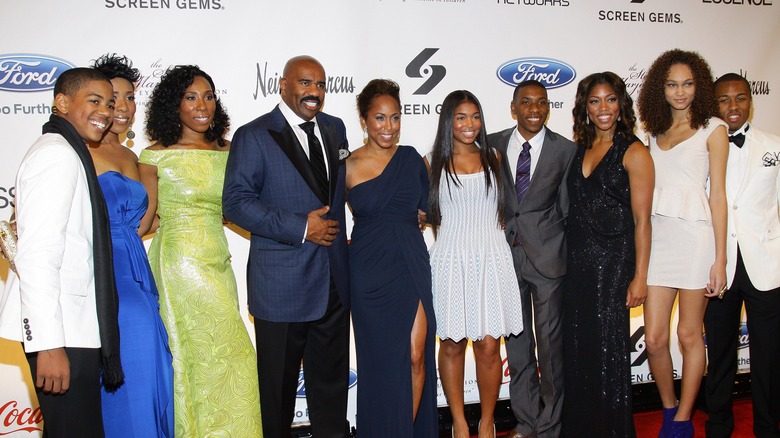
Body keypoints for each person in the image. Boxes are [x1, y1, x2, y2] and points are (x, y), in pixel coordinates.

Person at [222, 55, 350, 438]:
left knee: (330, 387)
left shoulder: (335, 128)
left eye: (321, 84)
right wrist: (300, 227)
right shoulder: (255, 134)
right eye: (306, 82)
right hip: (281, 285)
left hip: (332, 281)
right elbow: (236, 202)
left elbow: (340, 191)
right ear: (283, 85)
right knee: (277, 394)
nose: (314, 92)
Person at [137, 65, 263, 437]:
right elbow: (145, 221)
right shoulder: (154, 156)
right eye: (190, 97)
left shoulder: (230, 150)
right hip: (179, 265)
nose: (202, 105)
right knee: (190, 356)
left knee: (230, 355)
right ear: (172, 105)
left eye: (208, 95)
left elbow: (240, 208)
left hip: (218, 262)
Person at [0, 67, 122, 437]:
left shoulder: (67, 151)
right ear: (62, 102)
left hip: (75, 326)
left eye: (110, 103)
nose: (105, 111)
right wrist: (49, 345)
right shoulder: (57, 155)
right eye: (94, 101)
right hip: (61, 332)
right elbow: (36, 255)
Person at [637, 49, 729, 438]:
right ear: (661, 88)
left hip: (695, 240)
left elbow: (718, 196)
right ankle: (668, 407)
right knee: (655, 338)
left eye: (688, 84)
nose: (680, 92)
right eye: (672, 84)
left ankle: (683, 419)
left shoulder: (714, 129)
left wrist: (720, 260)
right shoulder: (651, 133)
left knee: (688, 334)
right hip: (658, 240)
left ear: (699, 86)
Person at [561, 72, 654, 437]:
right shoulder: (579, 148)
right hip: (577, 265)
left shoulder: (634, 151)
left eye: (611, 99)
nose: (604, 108)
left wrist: (640, 276)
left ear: (621, 104)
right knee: (579, 352)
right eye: (595, 101)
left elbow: (643, 222)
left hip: (613, 266)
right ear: (585, 107)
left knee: (606, 355)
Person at [427, 90, 524, 438]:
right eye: (461, 117)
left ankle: (486, 422)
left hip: (491, 258)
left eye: (475, 117)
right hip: (451, 260)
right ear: (448, 121)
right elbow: (419, 212)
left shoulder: (495, 157)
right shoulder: (430, 162)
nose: (469, 125)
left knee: (487, 345)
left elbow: (512, 208)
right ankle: (458, 422)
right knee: (451, 344)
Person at [345, 79, 438, 436]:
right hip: (368, 272)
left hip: (411, 263)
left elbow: (427, 208)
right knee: (381, 365)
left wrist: (424, 215)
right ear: (365, 120)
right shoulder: (347, 166)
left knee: (417, 356)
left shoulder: (412, 158)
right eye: (380, 118)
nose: (389, 127)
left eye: (395, 118)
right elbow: (331, 221)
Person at [90, 53, 174, 437]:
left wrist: (150, 182)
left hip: (138, 268)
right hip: (105, 272)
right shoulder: (79, 150)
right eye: (112, 99)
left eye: (129, 98)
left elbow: (139, 226)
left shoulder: (130, 156)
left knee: (152, 371)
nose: (122, 107)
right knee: (128, 375)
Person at [487, 80, 577, 438]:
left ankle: (551, 425)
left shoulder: (566, 150)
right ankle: (526, 422)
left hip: (549, 260)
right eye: (526, 103)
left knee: (551, 349)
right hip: (505, 257)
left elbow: (568, 208)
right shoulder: (490, 144)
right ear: (514, 108)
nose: (535, 109)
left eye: (541, 103)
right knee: (519, 345)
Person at [704, 73, 780, 438]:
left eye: (741, 98)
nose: (733, 107)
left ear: (751, 101)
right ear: (713, 103)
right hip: (719, 265)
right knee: (719, 354)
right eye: (724, 99)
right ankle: (718, 425)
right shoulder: (702, 146)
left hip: (766, 266)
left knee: (768, 357)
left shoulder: (774, 145)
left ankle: (768, 426)